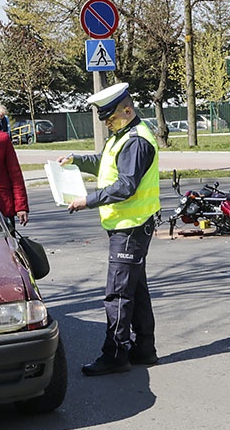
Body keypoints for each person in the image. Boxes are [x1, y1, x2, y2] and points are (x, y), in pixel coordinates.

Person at [58, 82, 160, 376]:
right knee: (136, 288)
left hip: (131, 227)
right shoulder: (123, 135)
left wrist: (86, 201)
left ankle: (115, 353)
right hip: (126, 225)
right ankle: (144, 348)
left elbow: (126, 186)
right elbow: (104, 163)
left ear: (127, 110)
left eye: (110, 118)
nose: (107, 124)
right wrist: (76, 161)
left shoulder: (137, 141)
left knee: (117, 293)